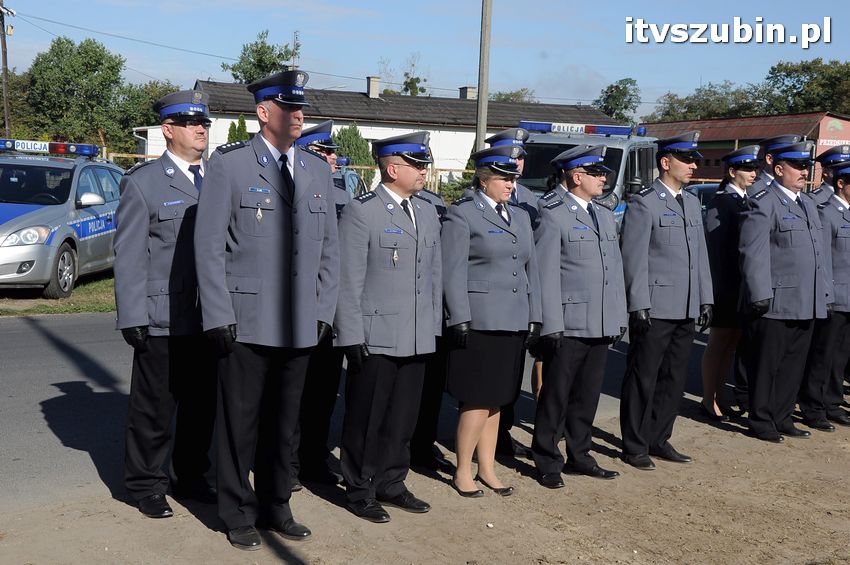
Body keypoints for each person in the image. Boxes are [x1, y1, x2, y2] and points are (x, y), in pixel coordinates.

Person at [194, 70, 340, 550]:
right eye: (289, 108)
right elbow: (209, 247)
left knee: (285, 423)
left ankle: (277, 505)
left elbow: (329, 251)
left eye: (301, 109)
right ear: (263, 112)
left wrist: (323, 309)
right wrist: (218, 314)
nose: (299, 116)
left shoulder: (317, 170)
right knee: (240, 423)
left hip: (299, 323)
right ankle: (237, 511)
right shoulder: (231, 165)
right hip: (246, 321)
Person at [113, 90, 217, 519]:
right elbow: (129, 254)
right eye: (191, 123)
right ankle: (145, 484)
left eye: (204, 123)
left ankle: (191, 475)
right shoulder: (144, 182)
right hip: (163, 316)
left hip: (211, 315)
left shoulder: (218, 178)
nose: (201, 130)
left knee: (201, 406)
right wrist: (132, 315)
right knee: (154, 406)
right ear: (168, 130)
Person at [335, 132, 442, 523]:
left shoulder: (427, 211)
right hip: (375, 335)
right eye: (417, 165)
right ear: (392, 168)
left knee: (402, 418)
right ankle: (360, 489)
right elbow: (349, 280)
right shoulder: (363, 211)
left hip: (415, 333)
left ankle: (392, 482)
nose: (424, 171)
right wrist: (350, 334)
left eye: (424, 164)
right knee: (367, 418)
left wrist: (433, 326)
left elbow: (434, 274)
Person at [441, 144, 541, 497]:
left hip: (513, 318)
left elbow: (531, 270)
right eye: (503, 178)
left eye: (513, 178)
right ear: (484, 180)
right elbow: (452, 272)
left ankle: (487, 467)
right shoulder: (463, 214)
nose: (511, 184)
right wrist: (458, 316)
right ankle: (462, 470)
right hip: (480, 320)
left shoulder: (520, 216)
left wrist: (535, 315)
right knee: (477, 399)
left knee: (498, 398)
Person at [531, 145, 627, 489]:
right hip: (568, 321)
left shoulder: (603, 213)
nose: (604, 178)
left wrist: (617, 314)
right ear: (576, 176)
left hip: (599, 319)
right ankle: (547, 459)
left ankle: (580, 454)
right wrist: (550, 324)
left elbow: (614, 269)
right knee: (556, 395)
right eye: (597, 173)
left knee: (588, 394)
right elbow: (545, 275)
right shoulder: (552, 213)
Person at [619, 131, 713, 471]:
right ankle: (635, 444)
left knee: (673, 377)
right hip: (655, 306)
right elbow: (633, 258)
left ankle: (659, 437)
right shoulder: (645, 202)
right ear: (665, 162)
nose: (693, 166)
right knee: (644, 376)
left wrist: (705, 297)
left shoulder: (691, 202)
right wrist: (638, 304)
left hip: (685, 304)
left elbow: (699, 255)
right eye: (686, 160)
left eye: (694, 161)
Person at [739, 140, 831, 443]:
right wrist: (760, 293)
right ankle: (761, 419)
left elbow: (819, 254)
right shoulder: (763, 201)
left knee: (793, 364)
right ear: (778, 169)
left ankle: (782, 416)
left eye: (806, 166)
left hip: (807, 299)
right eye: (798, 166)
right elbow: (753, 252)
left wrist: (825, 293)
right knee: (767, 365)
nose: (804, 171)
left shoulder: (808, 203)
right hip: (776, 300)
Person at [290, 119, 349, 489]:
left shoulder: (341, 195)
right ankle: (287, 461)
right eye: (323, 151)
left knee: (324, 389)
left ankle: (314, 455)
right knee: (292, 391)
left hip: (332, 304)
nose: (332, 158)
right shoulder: (289, 188)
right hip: (296, 305)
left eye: (332, 152)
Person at [485, 127, 540, 459]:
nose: (517, 164)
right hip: (492, 302)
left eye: (520, 158)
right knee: (485, 383)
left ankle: (502, 433)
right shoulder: (476, 199)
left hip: (518, 298)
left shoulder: (529, 199)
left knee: (511, 374)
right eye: (510, 158)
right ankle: (484, 439)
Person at [700, 145, 760, 421]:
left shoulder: (746, 199)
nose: (753, 173)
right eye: (747, 169)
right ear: (732, 171)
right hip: (725, 283)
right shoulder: (722, 201)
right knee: (719, 342)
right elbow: (716, 248)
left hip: (741, 284)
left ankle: (720, 396)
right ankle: (708, 398)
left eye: (754, 168)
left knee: (732, 343)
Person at [799, 161, 850, 429]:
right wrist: (826, 294)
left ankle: (832, 402)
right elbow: (823, 260)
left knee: (840, 357)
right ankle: (813, 406)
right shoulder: (827, 213)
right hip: (835, 296)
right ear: (841, 184)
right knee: (823, 355)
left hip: (849, 297)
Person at [409, 185, 454, 473]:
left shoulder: (433, 203)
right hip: (407, 311)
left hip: (433, 309)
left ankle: (423, 445)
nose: (423, 169)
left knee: (431, 388)